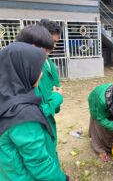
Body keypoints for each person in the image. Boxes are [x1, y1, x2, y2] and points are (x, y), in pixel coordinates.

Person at [0, 42, 68, 181]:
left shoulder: (7, 97)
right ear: (22, 69)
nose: (41, 74)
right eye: (37, 68)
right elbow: (39, 164)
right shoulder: (22, 114)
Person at [16, 25, 63, 149]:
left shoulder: (48, 62)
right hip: (41, 119)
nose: (52, 47)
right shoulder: (21, 75)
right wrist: (56, 99)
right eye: (51, 43)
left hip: (47, 114)